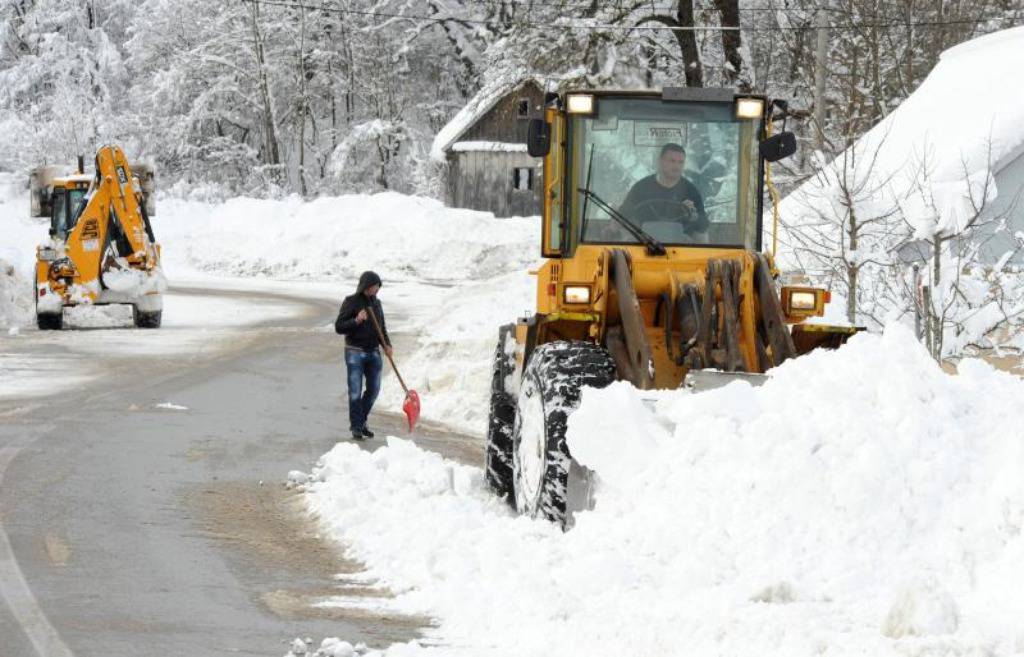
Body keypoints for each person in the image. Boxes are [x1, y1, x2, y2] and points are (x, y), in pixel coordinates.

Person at [334, 271, 393, 441]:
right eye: (375, 286)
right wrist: (356, 321)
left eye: (378, 286)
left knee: (374, 389)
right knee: (355, 392)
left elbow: (381, 328)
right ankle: (357, 427)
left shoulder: (377, 303)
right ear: (366, 286)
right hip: (355, 352)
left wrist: (387, 345)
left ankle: (361, 421)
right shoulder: (351, 302)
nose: (377, 289)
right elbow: (339, 327)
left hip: (374, 352)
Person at [619, 142, 709, 242]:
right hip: (644, 244)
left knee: (702, 237)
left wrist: (693, 215)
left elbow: (703, 224)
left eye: (681, 162)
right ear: (661, 161)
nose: (677, 166)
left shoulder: (690, 191)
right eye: (672, 161)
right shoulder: (641, 187)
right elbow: (623, 215)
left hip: (681, 247)